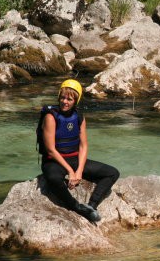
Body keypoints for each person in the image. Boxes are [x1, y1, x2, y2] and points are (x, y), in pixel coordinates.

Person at [40, 79, 119, 223]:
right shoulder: (50, 117)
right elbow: (50, 150)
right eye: (63, 97)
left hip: (74, 159)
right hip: (54, 161)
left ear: (76, 100)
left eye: (69, 99)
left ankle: (91, 206)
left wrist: (79, 171)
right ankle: (76, 207)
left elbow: (83, 145)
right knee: (53, 179)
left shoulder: (79, 117)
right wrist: (70, 171)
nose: (65, 102)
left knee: (112, 173)